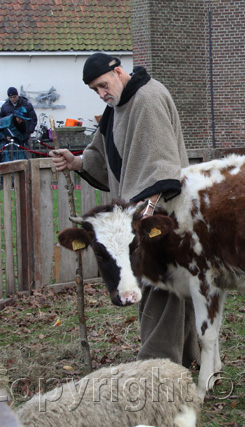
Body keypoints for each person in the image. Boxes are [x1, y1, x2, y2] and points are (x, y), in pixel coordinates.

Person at [50, 53, 199, 367]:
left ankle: (156, 364)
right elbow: (104, 155)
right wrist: (75, 161)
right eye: (95, 90)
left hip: (161, 211)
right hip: (139, 212)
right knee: (159, 284)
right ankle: (186, 358)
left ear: (118, 72)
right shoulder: (115, 107)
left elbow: (163, 162)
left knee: (161, 286)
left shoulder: (148, 98)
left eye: (103, 85)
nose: (102, 93)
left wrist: (149, 208)